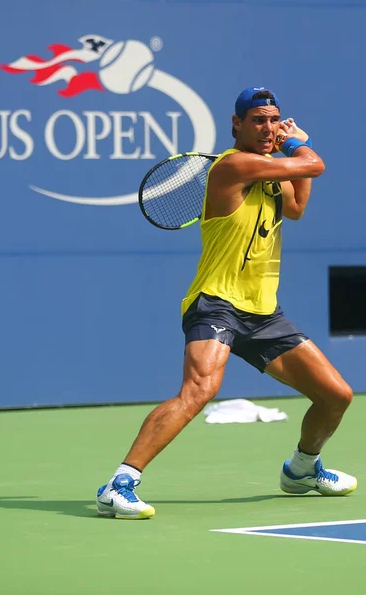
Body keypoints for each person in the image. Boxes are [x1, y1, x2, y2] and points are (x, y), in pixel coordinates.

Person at [96, 87, 357, 519]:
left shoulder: (269, 171)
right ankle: (120, 483)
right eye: (258, 120)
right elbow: (314, 163)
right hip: (216, 302)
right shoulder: (233, 165)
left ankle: (302, 470)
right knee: (199, 390)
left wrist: (291, 161)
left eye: (275, 120)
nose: (269, 128)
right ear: (237, 125)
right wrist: (296, 142)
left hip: (263, 310)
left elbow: (295, 208)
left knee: (336, 396)